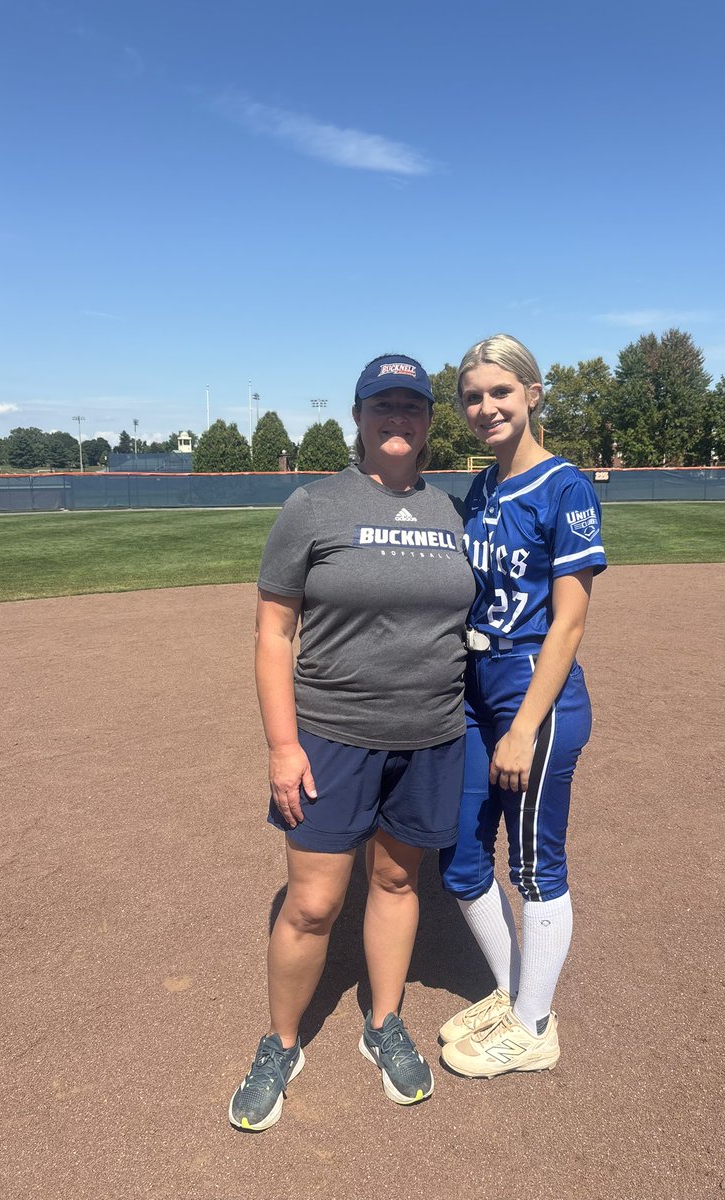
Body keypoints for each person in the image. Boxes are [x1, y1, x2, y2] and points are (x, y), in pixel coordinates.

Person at [229, 354, 475, 1131]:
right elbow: (274, 631)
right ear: (359, 418)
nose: (397, 419)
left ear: (429, 420)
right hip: (332, 736)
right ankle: (280, 1043)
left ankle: (383, 1023)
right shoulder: (314, 506)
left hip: (431, 736)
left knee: (399, 887)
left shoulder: (452, 510)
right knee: (313, 902)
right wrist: (281, 744)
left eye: (412, 407)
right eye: (383, 406)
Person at [438, 334, 607, 1078]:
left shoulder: (566, 488)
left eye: (500, 392)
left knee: (536, 865)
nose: (485, 407)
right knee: (461, 853)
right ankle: (515, 995)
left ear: (533, 395)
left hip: (533, 691)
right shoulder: (481, 490)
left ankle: (533, 1028)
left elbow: (569, 621)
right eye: (473, 396)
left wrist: (525, 727)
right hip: (477, 689)